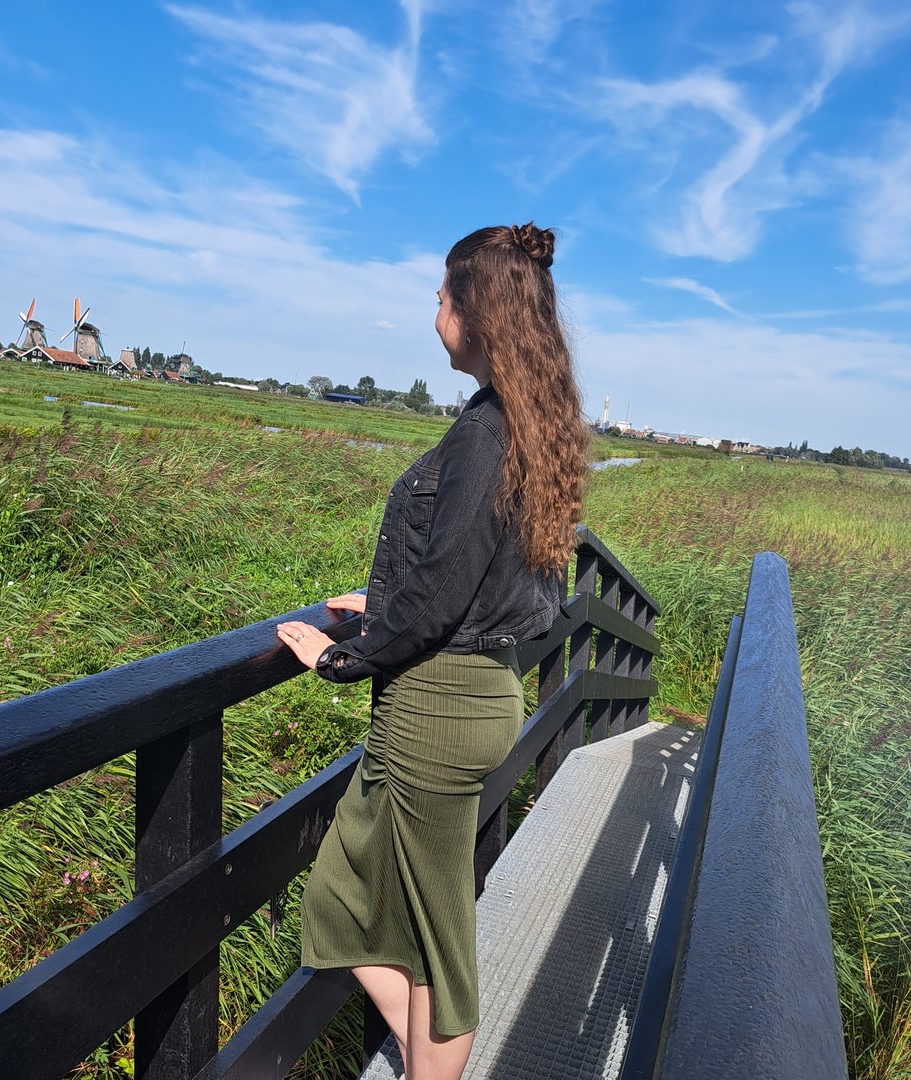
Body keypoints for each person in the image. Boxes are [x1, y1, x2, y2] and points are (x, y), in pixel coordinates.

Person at [276, 222, 589, 1080]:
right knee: (343, 899)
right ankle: (426, 1058)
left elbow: (449, 581)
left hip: (438, 709)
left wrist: (339, 657)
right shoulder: (525, 423)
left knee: (440, 950)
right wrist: (383, 603)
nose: (434, 308)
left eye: (443, 295)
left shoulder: (489, 432)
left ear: (476, 313)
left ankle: (432, 1063)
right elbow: (489, 571)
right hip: (460, 697)